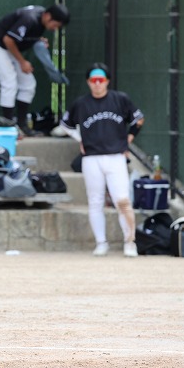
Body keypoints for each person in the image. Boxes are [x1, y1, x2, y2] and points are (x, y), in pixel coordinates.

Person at [60, 63, 145, 257]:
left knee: (122, 200)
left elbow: (138, 119)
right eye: (93, 80)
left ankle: (129, 242)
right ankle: (101, 242)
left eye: (101, 80)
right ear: (88, 82)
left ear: (107, 81)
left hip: (116, 157)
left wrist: (129, 138)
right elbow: (65, 124)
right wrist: (80, 139)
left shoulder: (120, 99)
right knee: (95, 201)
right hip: (92, 158)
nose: (97, 84)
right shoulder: (81, 103)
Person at [0, 3, 70, 136]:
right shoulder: (30, 18)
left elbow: (24, 35)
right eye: (56, 25)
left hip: (10, 49)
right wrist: (22, 62)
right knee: (9, 82)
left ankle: (22, 125)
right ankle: (8, 127)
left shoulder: (41, 18)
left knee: (28, 84)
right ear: (48, 16)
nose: (55, 29)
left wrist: (37, 40)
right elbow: (8, 39)